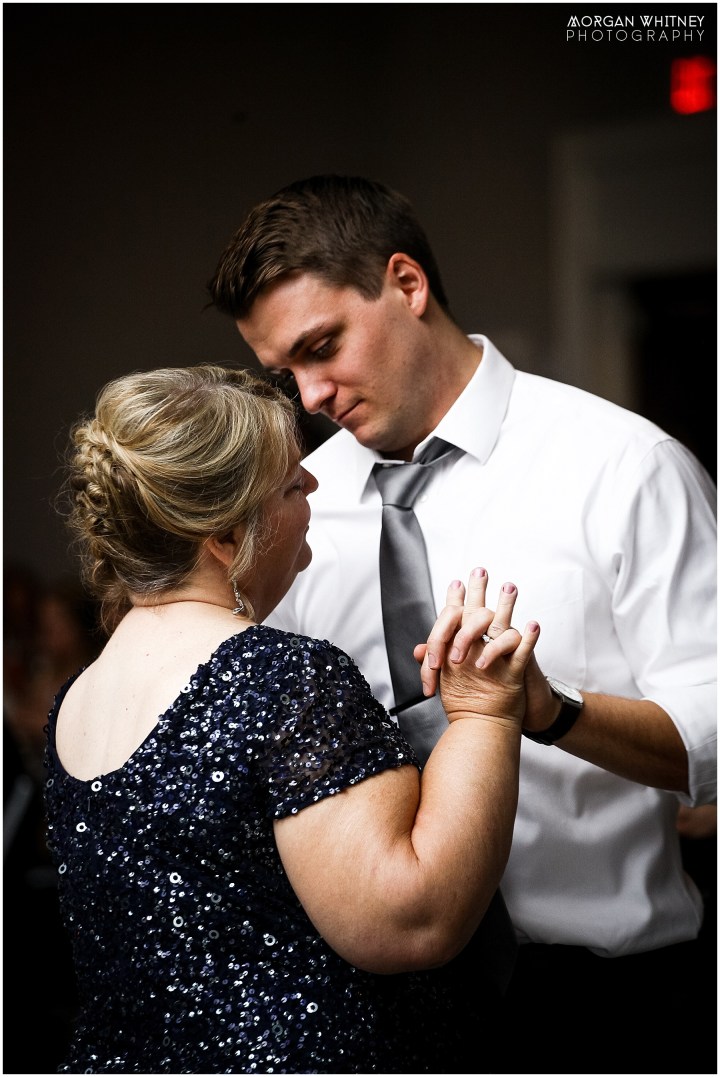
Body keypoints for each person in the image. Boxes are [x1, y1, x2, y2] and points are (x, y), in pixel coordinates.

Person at [208, 175, 718, 1075]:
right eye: (284, 372)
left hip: (609, 1007)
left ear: (407, 284)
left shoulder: (624, 468)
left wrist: (554, 712)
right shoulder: (299, 514)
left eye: (323, 347)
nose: (311, 394)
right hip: (378, 1011)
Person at [44, 362, 541, 1074]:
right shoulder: (284, 678)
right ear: (223, 535)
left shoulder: (77, 698)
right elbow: (413, 918)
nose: (315, 487)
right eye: (291, 483)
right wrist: (488, 713)